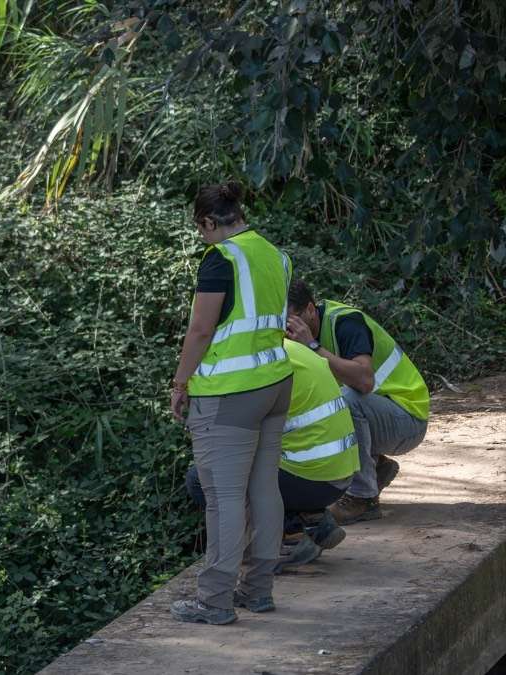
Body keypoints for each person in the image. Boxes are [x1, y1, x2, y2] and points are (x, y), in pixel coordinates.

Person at [168, 182, 293, 626]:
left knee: (223, 499)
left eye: (199, 229)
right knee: (264, 488)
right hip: (275, 382)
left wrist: (180, 382)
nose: (201, 237)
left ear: (208, 222)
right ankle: (258, 590)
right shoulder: (274, 254)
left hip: (230, 392)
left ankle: (215, 600)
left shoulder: (220, 258)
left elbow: (201, 329)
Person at [185, 339, 359, 574]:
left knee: (201, 477)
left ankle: (288, 537)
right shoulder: (287, 348)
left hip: (313, 478)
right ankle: (311, 518)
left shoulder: (254, 369)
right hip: (338, 475)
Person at [285, 280, 429, 524]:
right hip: (383, 416)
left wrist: (311, 346)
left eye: (291, 320)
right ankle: (376, 467)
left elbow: (364, 381)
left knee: (347, 401)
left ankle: (363, 498)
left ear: (310, 309)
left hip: (408, 419)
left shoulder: (345, 322)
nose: (287, 329)